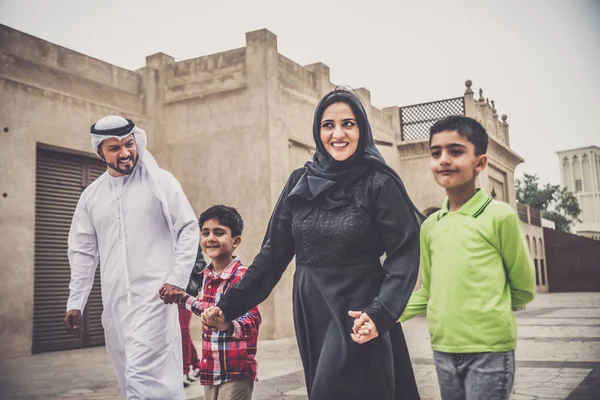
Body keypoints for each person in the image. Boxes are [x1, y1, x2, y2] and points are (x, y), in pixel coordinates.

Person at [203, 88, 422, 399]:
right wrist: (228, 308)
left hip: (359, 312)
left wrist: (381, 312)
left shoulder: (380, 183)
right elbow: (273, 255)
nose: (338, 134)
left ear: (362, 128)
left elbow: (404, 254)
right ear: (318, 132)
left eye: (348, 124)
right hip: (313, 310)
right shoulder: (299, 181)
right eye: (328, 125)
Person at [397, 115, 536, 400]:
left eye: (456, 151)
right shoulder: (431, 225)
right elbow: (428, 290)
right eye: (436, 153)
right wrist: (384, 314)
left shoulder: (500, 216)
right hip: (443, 350)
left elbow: (522, 289)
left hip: (490, 354)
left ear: (480, 163)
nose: (443, 159)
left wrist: (481, 313)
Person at [63, 115, 199, 399]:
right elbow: (83, 251)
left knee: (140, 377)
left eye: (129, 144)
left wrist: (177, 279)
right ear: (100, 153)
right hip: (114, 305)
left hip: (155, 300)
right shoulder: (91, 196)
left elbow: (188, 228)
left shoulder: (160, 182)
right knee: (130, 378)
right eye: (114, 148)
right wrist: (76, 300)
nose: (125, 153)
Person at [180, 205, 260, 400]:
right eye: (205, 233)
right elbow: (207, 310)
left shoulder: (242, 277)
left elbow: (253, 320)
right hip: (210, 369)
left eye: (219, 232)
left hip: (235, 371)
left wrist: (226, 325)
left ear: (236, 241)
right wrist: (182, 298)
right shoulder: (207, 275)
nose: (210, 239)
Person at [180, 247, 206, 387]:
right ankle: (197, 365)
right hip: (168, 290)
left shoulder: (189, 238)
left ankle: (184, 371)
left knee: (182, 330)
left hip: (185, 291)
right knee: (180, 330)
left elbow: (200, 265)